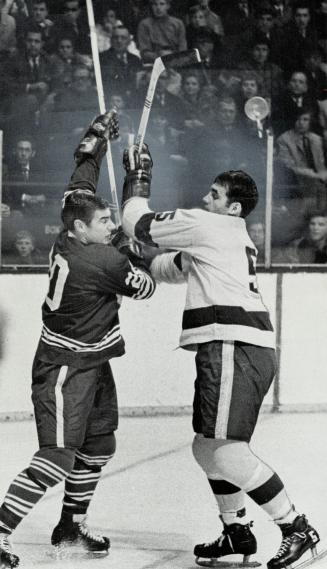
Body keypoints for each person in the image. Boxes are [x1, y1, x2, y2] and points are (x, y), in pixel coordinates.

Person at [120, 143, 320, 569]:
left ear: (231, 208)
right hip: (232, 346)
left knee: (226, 451)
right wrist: (131, 255)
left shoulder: (208, 225)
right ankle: (236, 531)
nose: (204, 199)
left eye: (214, 194)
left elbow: (136, 222)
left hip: (234, 346)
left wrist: (138, 178)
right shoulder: (223, 236)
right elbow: (168, 268)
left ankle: (297, 528)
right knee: (206, 448)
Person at [0, 111, 156, 568]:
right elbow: (144, 284)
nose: (109, 223)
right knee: (57, 456)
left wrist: (96, 139)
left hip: (90, 361)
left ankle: (70, 527)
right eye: (103, 221)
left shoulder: (75, 229)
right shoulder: (101, 262)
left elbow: (81, 175)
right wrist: (138, 184)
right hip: (66, 369)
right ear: (79, 230)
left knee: (98, 446)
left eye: (110, 218)